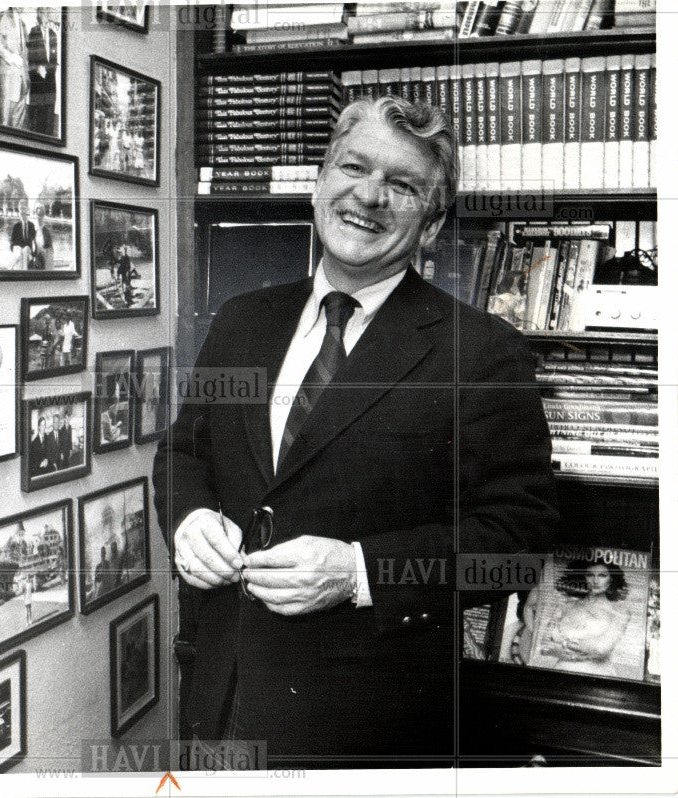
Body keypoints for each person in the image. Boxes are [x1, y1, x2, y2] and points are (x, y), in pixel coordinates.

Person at [152, 96, 558, 769]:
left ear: (430, 226)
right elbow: (184, 449)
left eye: (402, 186)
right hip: (219, 702)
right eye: (354, 167)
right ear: (320, 184)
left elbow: (517, 543)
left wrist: (359, 572)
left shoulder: (483, 353)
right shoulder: (241, 319)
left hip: (368, 731)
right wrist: (188, 517)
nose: (369, 197)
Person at [532, 560, 632, 677]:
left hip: (598, 675)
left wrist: (562, 642)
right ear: (582, 577)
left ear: (612, 579)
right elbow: (544, 645)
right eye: (590, 575)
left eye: (602, 575)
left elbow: (601, 650)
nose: (595, 581)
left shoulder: (620, 612)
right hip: (561, 672)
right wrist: (585, 646)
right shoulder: (565, 606)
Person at [0, 7, 29, 128]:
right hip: (9, 75)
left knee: (18, 123)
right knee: (5, 120)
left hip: (22, 78)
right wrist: (11, 57)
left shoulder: (22, 23)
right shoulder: (4, 16)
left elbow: (25, 51)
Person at [27, 7, 58, 134]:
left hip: (50, 77)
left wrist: (50, 69)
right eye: (44, 13)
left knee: (50, 106)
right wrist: (38, 68)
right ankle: (36, 134)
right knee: (37, 108)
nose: (47, 16)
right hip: (37, 78)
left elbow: (54, 57)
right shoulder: (33, 32)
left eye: (48, 13)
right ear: (39, 15)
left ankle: (48, 134)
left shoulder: (53, 35)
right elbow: (30, 56)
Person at [9, 199, 36, 270]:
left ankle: (21, 270)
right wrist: (17, 249)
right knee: (21, 253)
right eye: (20, 209)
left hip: (28, 251)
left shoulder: (31, 225)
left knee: (26, 250)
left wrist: (33, 253)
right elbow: (12, 243)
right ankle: (23, 270)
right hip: (19, 252)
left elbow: (34, 241)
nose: (22, 211)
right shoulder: (16, 226)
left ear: (27, 210)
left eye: (23, 208)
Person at [32, 204, 54, 270]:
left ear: (44, 216)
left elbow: (50, 247)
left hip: (44, 258)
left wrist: (44, 251)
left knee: (49, 254)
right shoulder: (32, 229)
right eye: (38, 214)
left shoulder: (47, 231)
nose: (39, 217)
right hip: (34, 257)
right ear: (35, 215)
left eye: (41, 215)